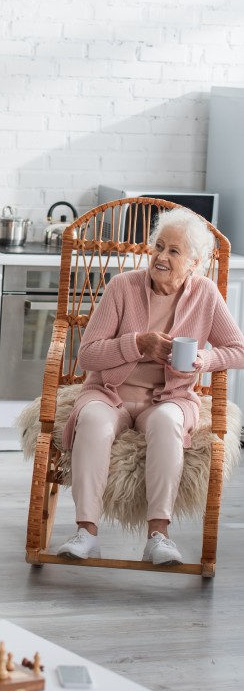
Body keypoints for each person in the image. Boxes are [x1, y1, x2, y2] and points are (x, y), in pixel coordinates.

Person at [57, 207, 244, 565]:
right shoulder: (122, 287)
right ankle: (87, 533)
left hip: (169, 397)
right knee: (93, 422)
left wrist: (203, 360)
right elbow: (89, 355)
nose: (160, 257)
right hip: (110, 393)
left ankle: (159, 536)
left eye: (174, 251)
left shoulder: (204, 294)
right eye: (158, 247)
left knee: (167, 423)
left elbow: (238, 350)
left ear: (195, 263)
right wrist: (138, 343)